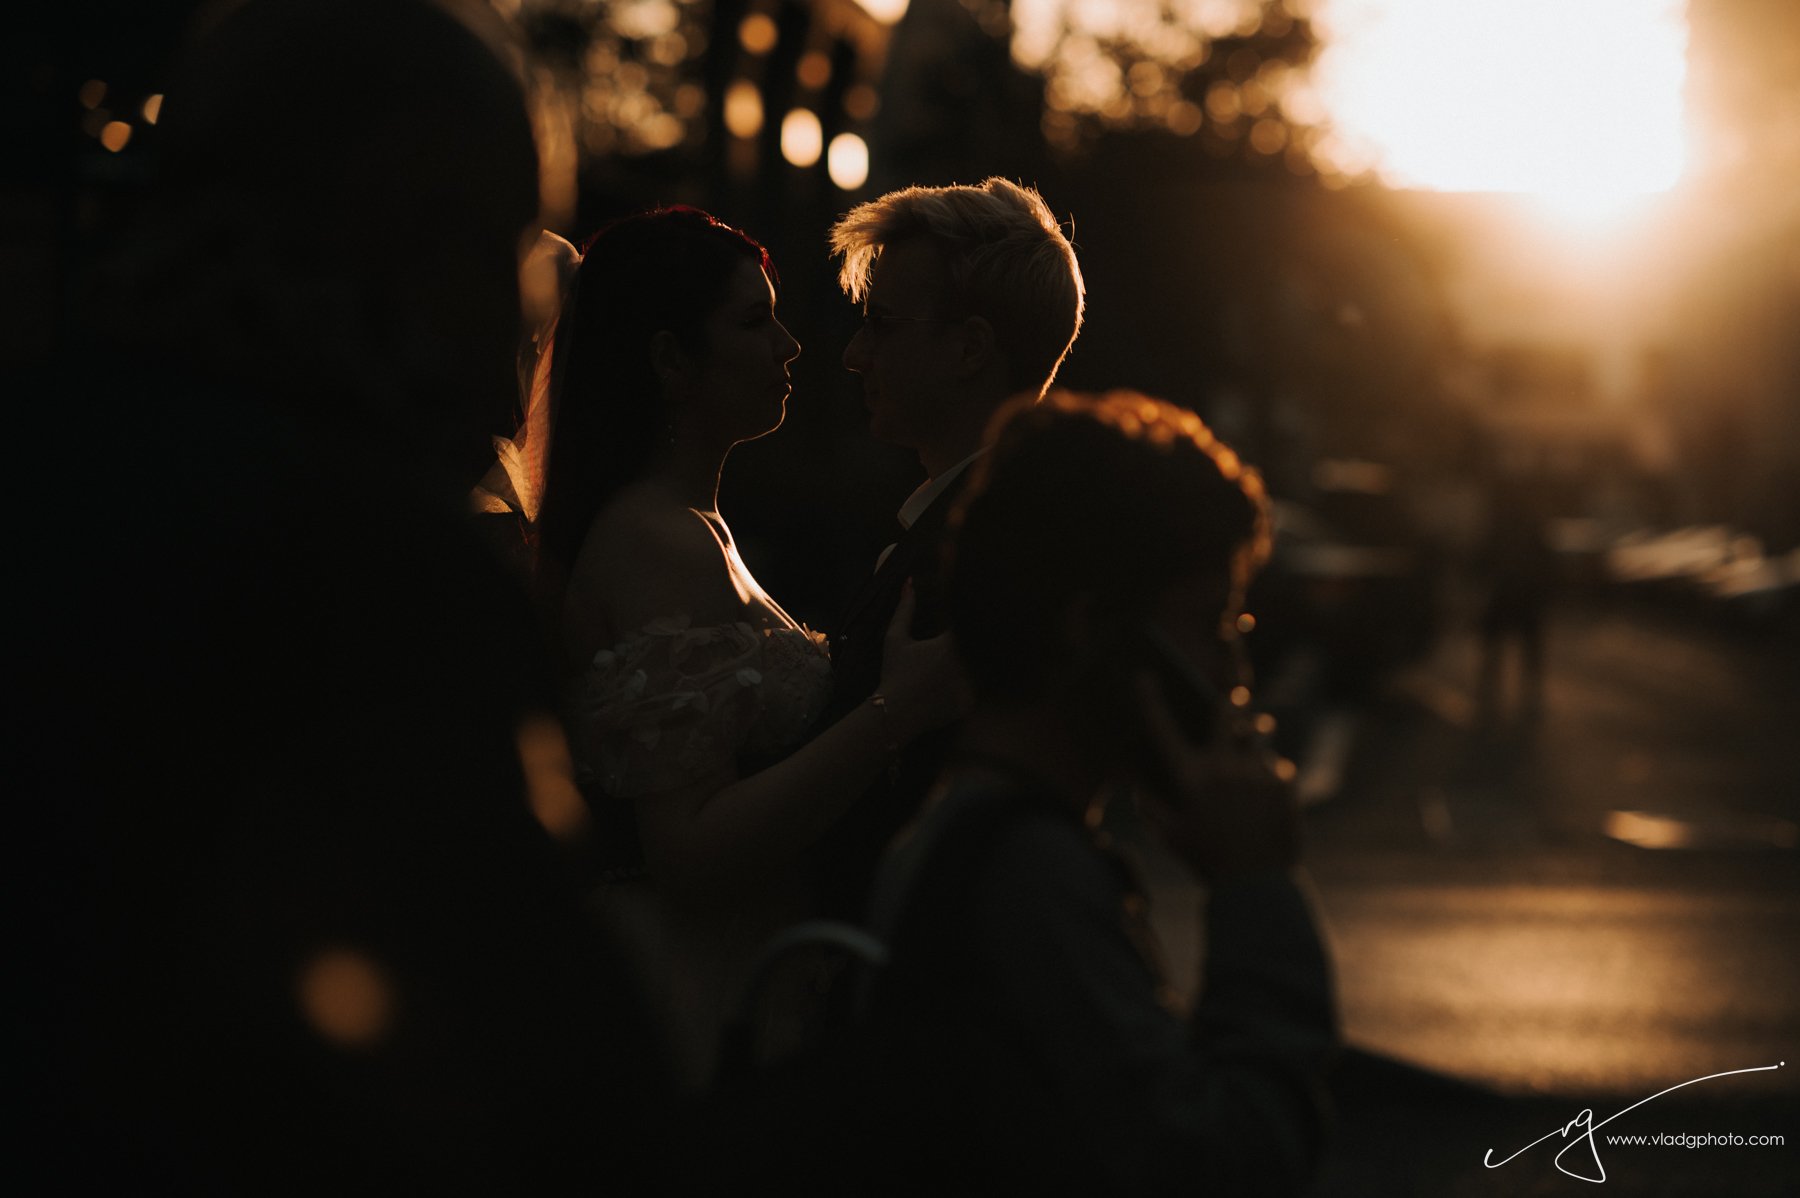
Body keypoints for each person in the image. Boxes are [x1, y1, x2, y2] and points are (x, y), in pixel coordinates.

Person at [23, 1, 668, 1191]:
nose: (509, 362)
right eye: (506, 258)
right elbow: (550, 1077)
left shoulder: (56, 464)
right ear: (408, 243)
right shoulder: (371, 574)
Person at [846, 392, 1336, 1194]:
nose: (1230, 674)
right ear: (1090, 628)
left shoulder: (973, 833)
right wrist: (1257, 886)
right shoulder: (1027, 876)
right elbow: (1225, 1162)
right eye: (1208, 624)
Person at [531, 206, 964, 1086]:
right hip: (699, 988)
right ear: (668, 362)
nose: (790, 347)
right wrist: (895, 711)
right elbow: (687, 856)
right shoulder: (654, 540)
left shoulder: (696, 526)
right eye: (751, 320)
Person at [811, 176, 1086, 919]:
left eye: (885, 324)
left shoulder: (971, 560)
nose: (856, 355)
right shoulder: (1026, 526)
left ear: (969, 349)